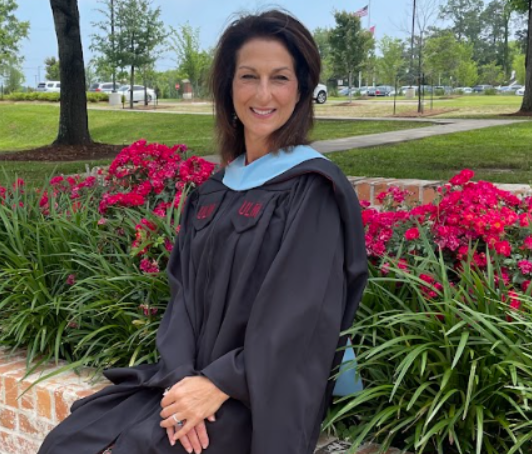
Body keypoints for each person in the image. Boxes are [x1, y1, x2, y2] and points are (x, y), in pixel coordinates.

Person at [37, 9, 368, 454]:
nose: (263, 94)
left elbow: (299, 319)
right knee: (70, 440)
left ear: (303, 88)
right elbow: (183, 297)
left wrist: (218, 383)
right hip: (187, 378)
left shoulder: (313, 190)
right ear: (229, 86)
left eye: (281, 78)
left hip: (262, 393)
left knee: (146, 447)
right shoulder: (214, 190)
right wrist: (181, 377)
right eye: (248, 76)